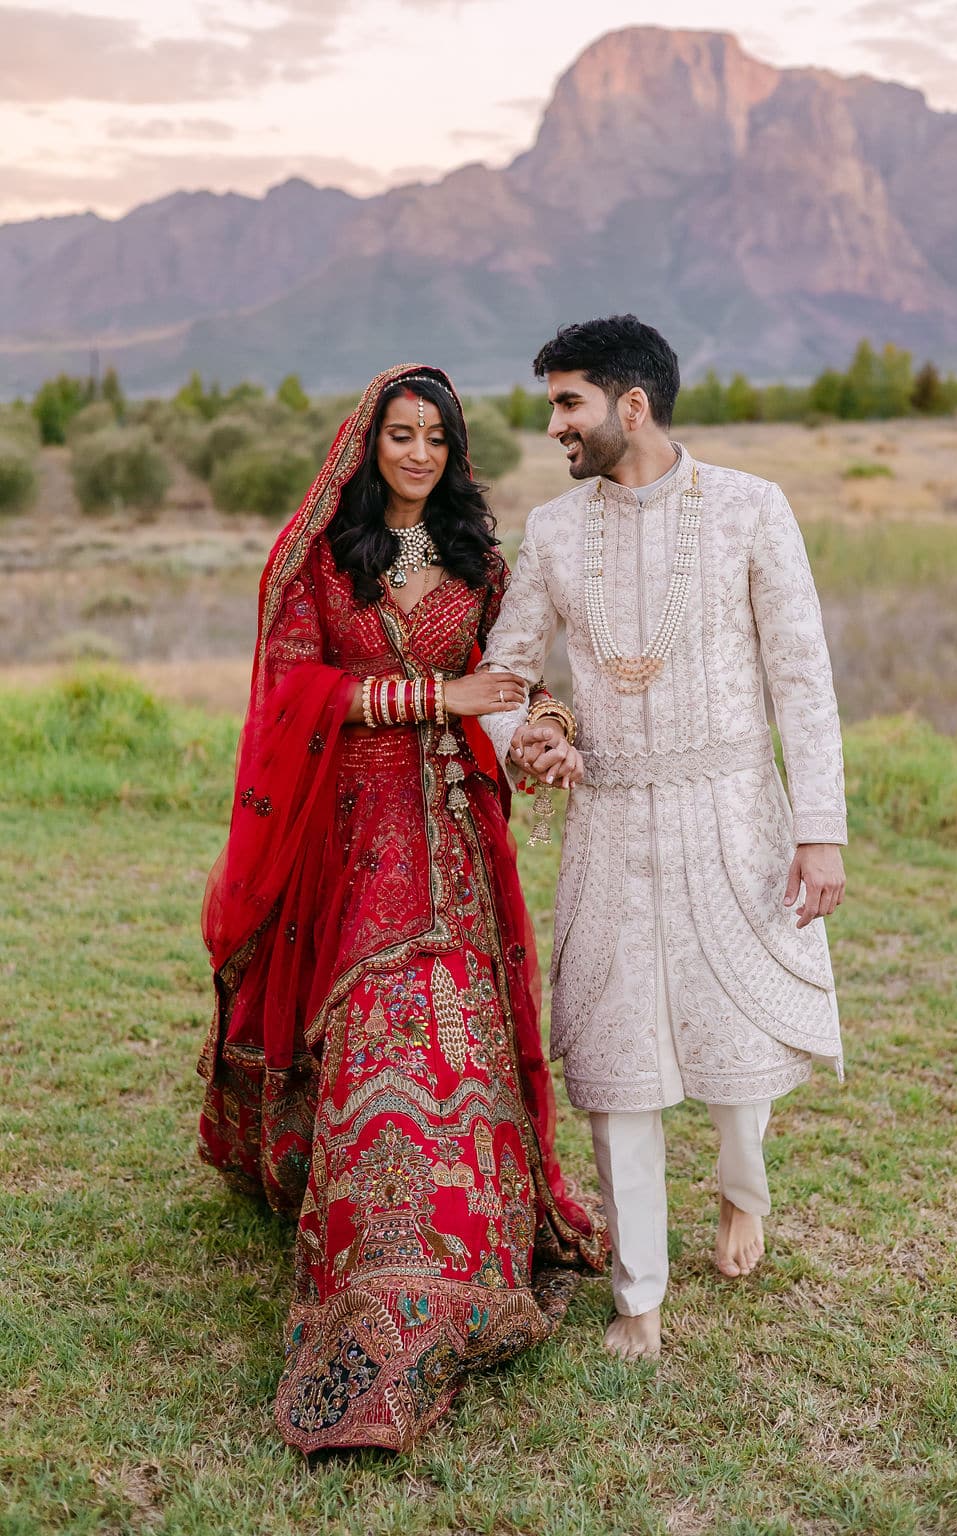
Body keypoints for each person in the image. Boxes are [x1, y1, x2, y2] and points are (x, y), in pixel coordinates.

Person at [197, 363, 605, 1453]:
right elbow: (291, 691)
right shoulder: (322, 561)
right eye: (400, 435)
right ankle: (374, 1265)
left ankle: (468, 1252)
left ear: (454, 449)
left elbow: (513, 676)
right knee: (378, 1023)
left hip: (458, 839)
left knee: (458, 1028)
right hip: (349, 835)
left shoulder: (481, 561)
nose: (418, 453)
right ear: (367, 445)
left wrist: (549, 727)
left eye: (435, 437)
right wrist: (435, 695)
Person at [479, 316, 846, 1361]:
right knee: (614, 1056)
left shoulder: (749, 508)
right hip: (609, 823)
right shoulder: (555, 531)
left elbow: (801, 675)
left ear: (629, 405)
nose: (556, 423)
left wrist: (819, 829)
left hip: (733, 809)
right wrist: (531, 735)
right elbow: (506, 670)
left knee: (737, 1056)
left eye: (569, 402)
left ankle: (742, 1191)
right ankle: (638, 1291)